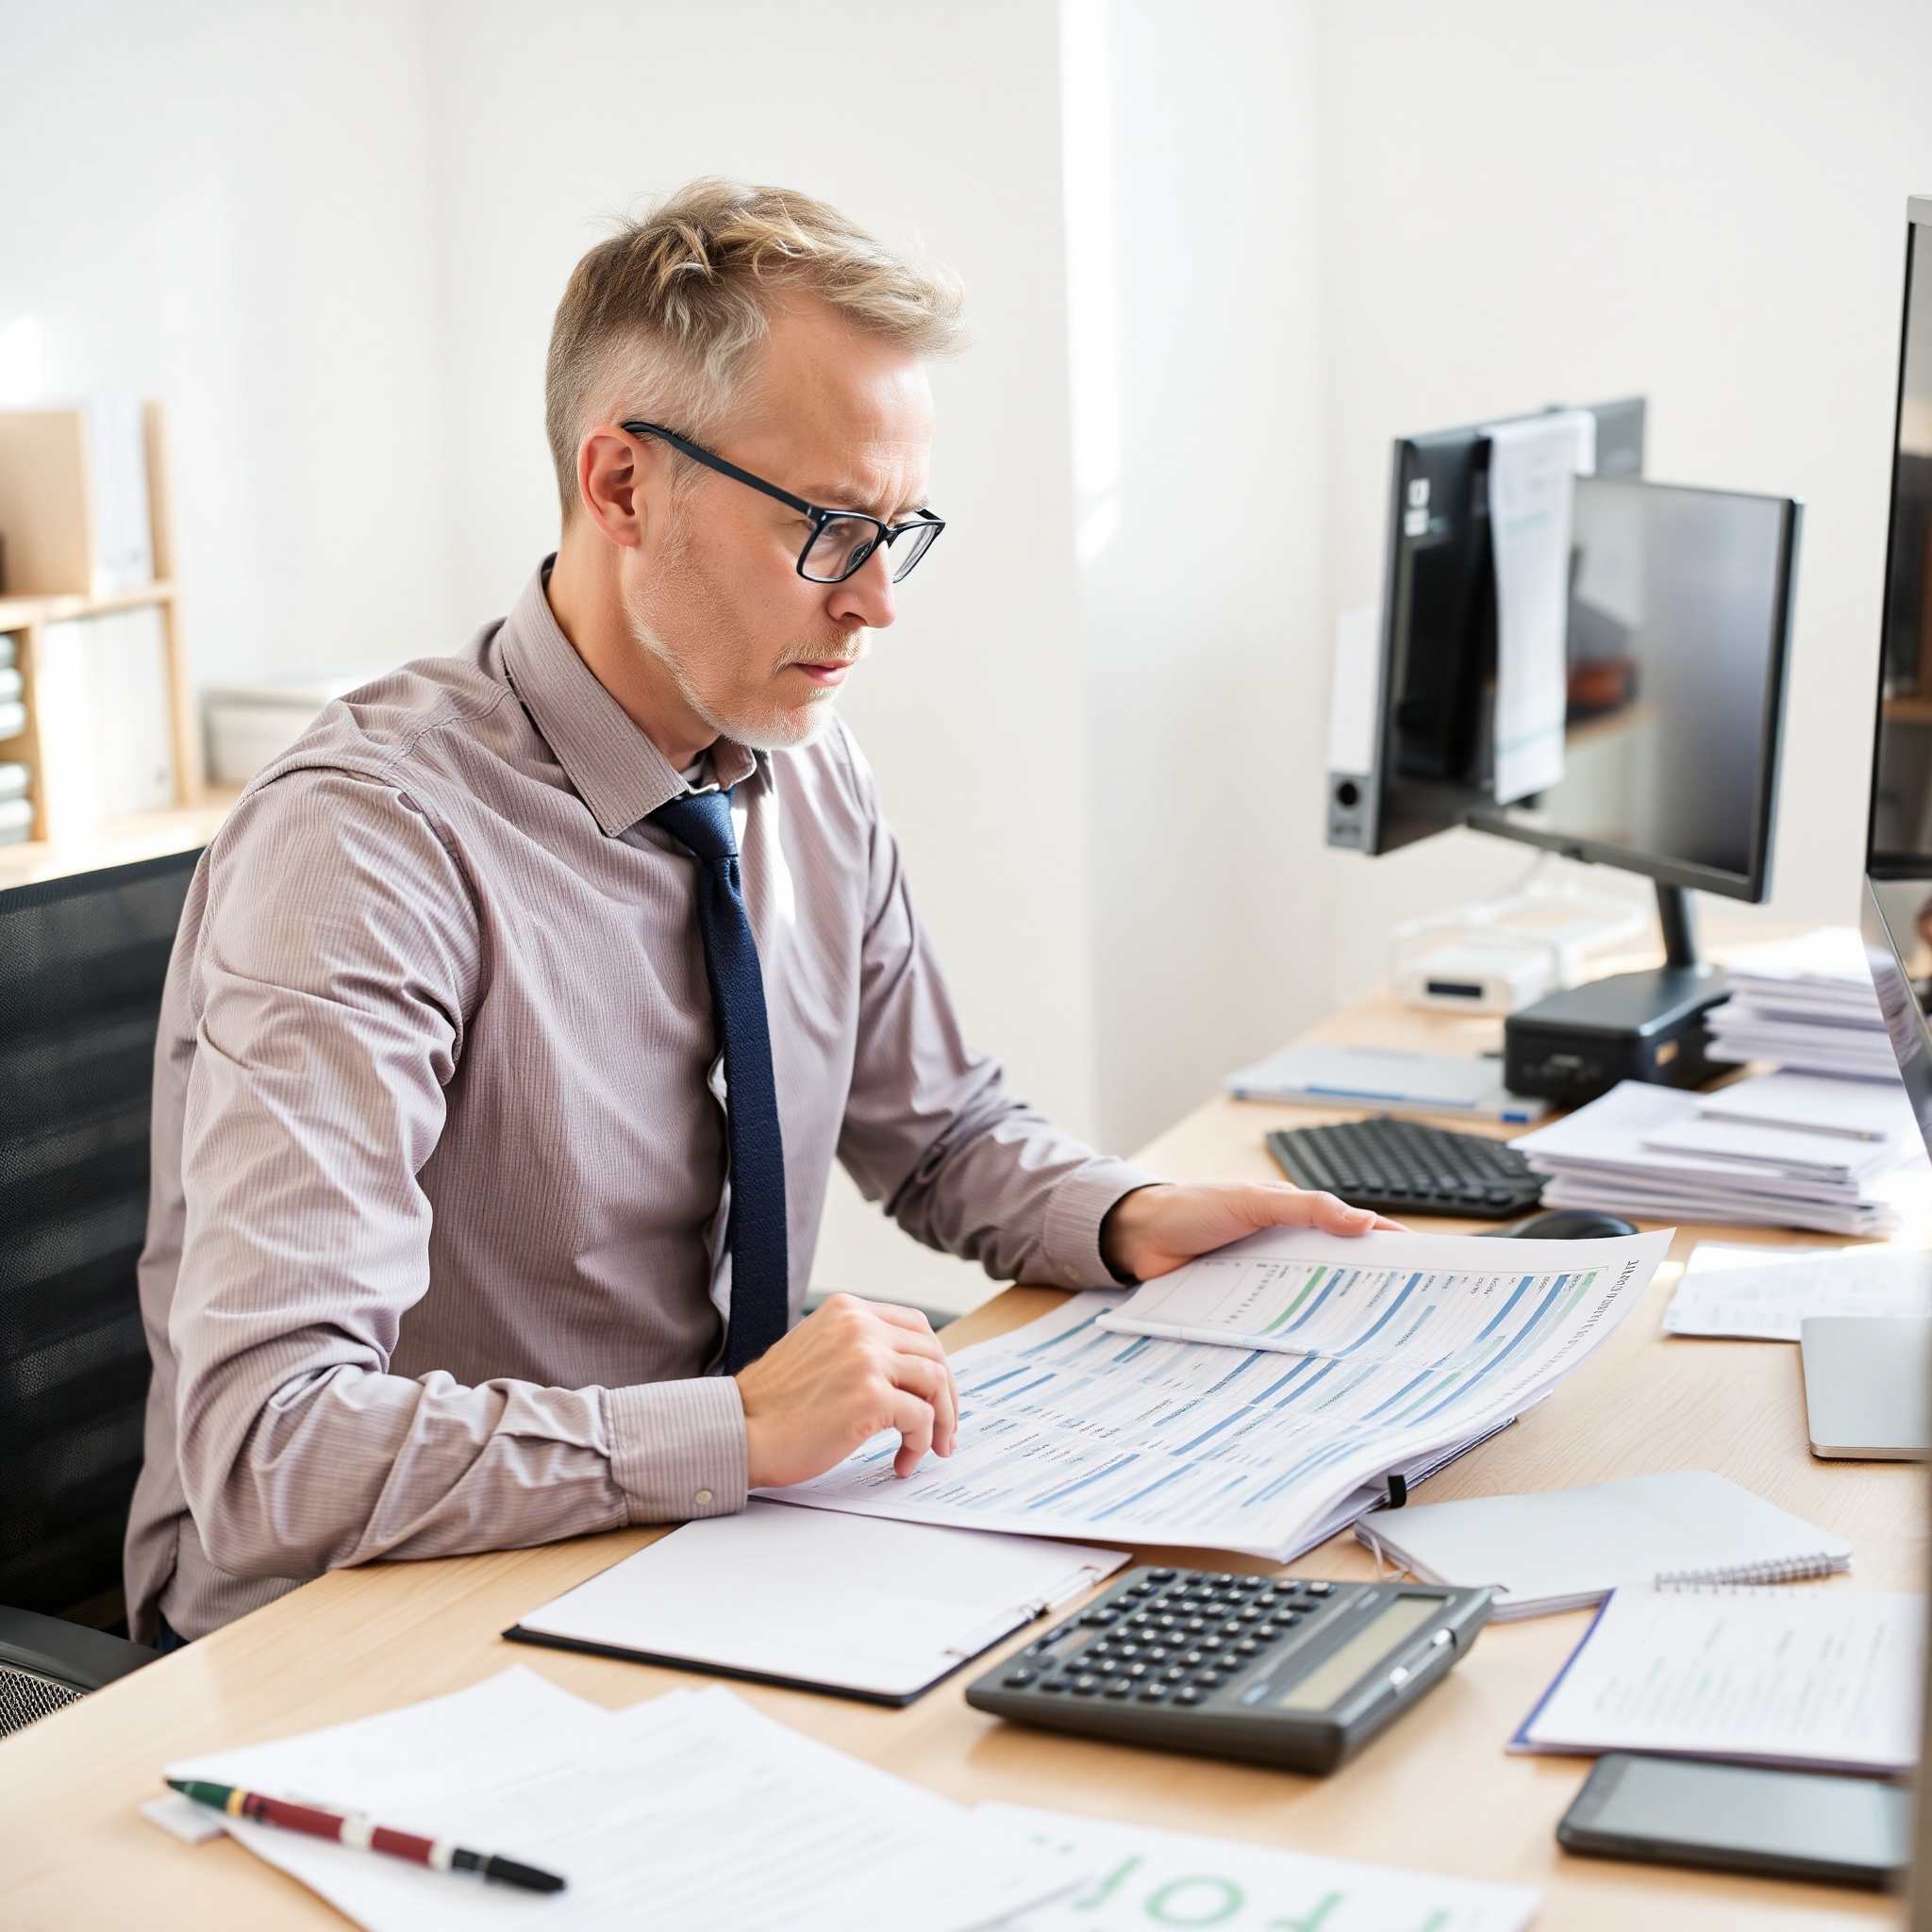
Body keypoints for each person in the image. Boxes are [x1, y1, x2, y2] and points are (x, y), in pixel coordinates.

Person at [124, 179, 1389, 1646]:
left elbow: (943, 1133)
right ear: (621, 487)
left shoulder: (798, 759)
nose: (875, 607)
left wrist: (1125, 1214)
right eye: (830, 528)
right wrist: (729, 1431)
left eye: (896, 533)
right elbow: (270, 1451)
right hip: (353, 1636)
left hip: (681, 1561)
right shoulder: (365, 849)